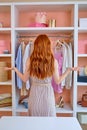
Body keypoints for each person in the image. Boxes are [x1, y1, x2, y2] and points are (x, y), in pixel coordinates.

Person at [5, 34, 80, 116]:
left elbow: (24, 79)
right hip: (48, 94)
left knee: (34, 120)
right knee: (48, 121)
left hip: (34, 94)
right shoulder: (53, 61)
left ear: (36, 46)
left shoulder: (30, 60)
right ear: (47, 46)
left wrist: (15, 69)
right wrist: (68, 70)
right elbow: (58, 81)